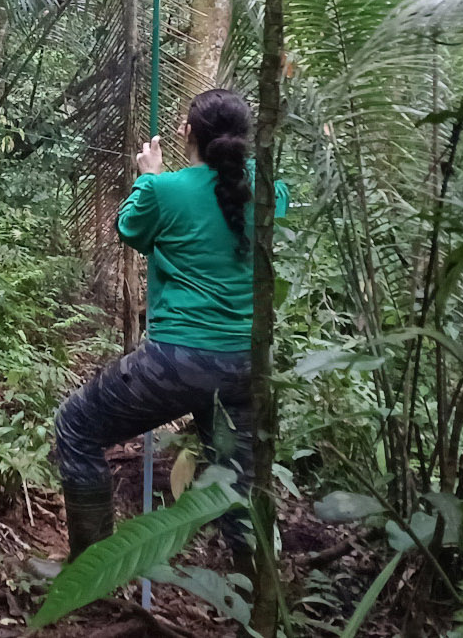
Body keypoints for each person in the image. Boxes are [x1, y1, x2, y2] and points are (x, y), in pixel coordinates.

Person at [53, 88, 288, 570]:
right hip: (248, 363)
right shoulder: (270, 191)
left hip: (178, 360)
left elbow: (130, 229)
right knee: (237, 481)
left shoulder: (165, 189)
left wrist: (149, 176)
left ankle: (88, 572)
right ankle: (258, 597)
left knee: (76, 426)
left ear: (188, 133)